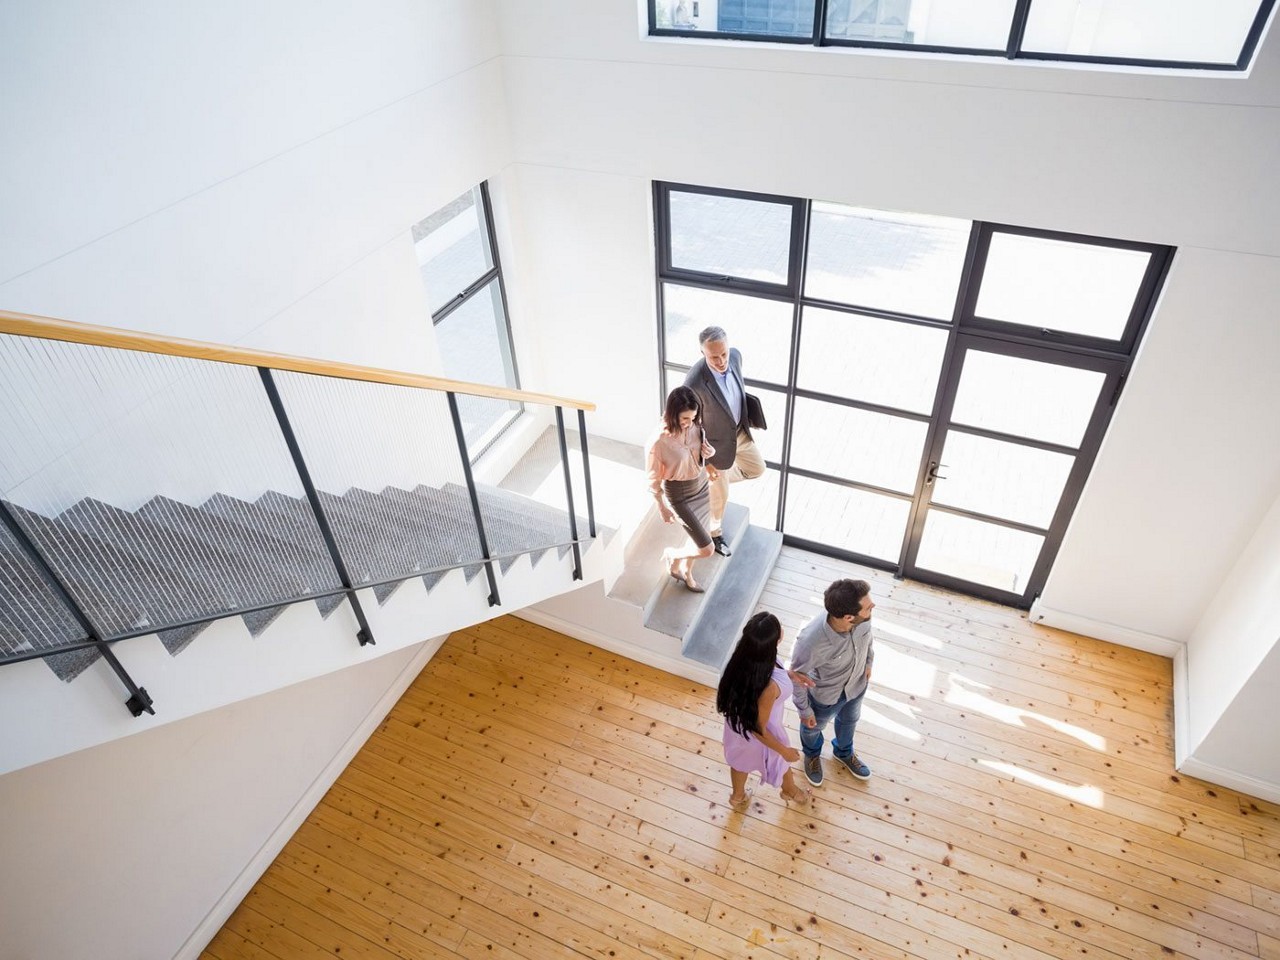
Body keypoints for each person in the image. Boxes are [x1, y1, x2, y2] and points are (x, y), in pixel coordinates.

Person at [683, 326, 765, 558]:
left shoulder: (736, 357)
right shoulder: (694, 384)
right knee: (720, 497)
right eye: (713, 357)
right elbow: (689, 427)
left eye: (723, 354)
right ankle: (715, 532)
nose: (721, 361)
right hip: (715, 446)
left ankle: (711, 484)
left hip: (739, 432)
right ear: (702, 353)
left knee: (757, 469)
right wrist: (707, 462)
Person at [717, 611, 815, 805]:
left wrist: (789, 675)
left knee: (739, 762)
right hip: (765, 732)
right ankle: (790, 791)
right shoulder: (769, 687)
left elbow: (764, 673)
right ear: (777, 639)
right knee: (781, 761)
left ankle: (737, 797)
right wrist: (784, 750)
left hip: (737, 728)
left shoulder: (743, 659)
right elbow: (758, 729)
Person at [790, 578, 876, 787]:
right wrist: (804, 711)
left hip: (856, 687)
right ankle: (811, 756)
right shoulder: (811, 642)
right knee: (812, 729)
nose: (873, 607)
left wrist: (868, 662)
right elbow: (797, 677)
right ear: (848, 617)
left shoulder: (862, 619)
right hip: (825, 697)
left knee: (849, 721)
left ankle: (844, 752)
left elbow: (868, 640)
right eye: (868, 606)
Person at [645, 386, 716, 592]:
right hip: (680, 494)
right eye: (685, 418)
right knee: (707, 549)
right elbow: (653, 478)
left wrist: (709, 453)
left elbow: (700, 452)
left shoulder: (696, 427)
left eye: (693, 418)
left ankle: (686, 570)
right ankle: (672, 554)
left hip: (701, 486)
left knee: (696, 535)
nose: (689, 423)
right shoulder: (659, 442)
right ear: (672, 413)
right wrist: (662, 507)